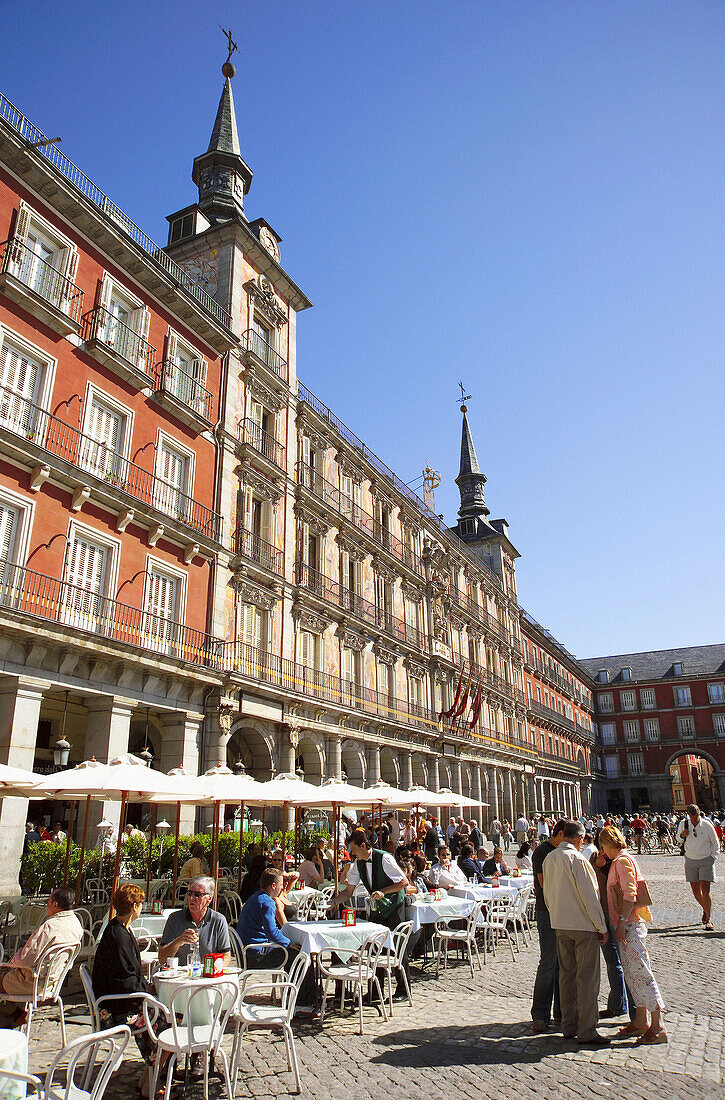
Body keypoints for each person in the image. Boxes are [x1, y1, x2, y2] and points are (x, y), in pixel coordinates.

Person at [598, 825, 666, 1044]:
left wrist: (622, 921)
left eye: (603, 847)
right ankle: (641, 1020)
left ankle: (658, 1026)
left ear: (609, 844)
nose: (602, 852)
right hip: (626, 925)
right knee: (632, 974)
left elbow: (630, 894)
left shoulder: (623, 861)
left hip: (630, 925)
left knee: (642, 973)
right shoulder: (620, 860)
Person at [542, 820, 608, 1045]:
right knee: (587, 979)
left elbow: (546, 892)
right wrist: (601, 926)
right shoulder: (578, 860)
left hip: (560, 924)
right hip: (583, 926)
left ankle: (568, 1025)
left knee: (567, 976)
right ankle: (587, 1029)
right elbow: (590, 896)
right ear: (580, 838)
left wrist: (555, 916)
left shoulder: (549, 858)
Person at [92, 884, 159, 1097]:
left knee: (159, 1010)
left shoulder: (120, 929)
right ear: (133, 906)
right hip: (115, 1008)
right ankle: (152, 1085)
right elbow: (124, 981)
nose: (142, 907)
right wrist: (148, 992)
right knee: (166, 1022)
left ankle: (147, 1079)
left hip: (116, 1000)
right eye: (140, 903)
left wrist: (148, 990)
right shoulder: (118, 936)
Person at [330, 829, 410, 999]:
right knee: (374, 948)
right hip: (376, 908)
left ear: (364, 846)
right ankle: (375, 992)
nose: (351, 853)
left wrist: (383, 891)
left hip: (394, 906)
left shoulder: (385, 858)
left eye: (354, 849)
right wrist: (333, 902)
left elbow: (403, 882)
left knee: (395, 948)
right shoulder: (357, 864)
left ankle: (403, 990)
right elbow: (349, 891)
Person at [0, 888, 83, 1026]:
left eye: (48, 902)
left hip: (34, 984)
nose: (46, 906)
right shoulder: (76, 925)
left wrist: (10, 962)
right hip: (54, 982)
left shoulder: (49, 927)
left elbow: (23, 960)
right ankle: (16, 1015)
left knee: (6, 974)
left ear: (55, 905)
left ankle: (12, 1017)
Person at [530, 819, 565, 1032]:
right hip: (547, 911)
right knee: (548, 962)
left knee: (563, 963)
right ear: (560, 834)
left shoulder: (559, 851)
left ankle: (561, 1013)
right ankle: (540, 1014)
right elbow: (544, 883)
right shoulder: (542, 851)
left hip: (563, 912)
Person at [158, 876, 231, 969]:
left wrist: (217, 967)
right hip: (180, 978)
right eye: (189, 893)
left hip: (208, 977)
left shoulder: (218, 920)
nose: (191, 898)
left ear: (209, 899)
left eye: (197, 894)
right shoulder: (175, 919)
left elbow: (226, 955)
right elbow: (162, 958)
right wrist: (178, 941)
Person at [237, 867, 295, 969]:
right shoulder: (268, 902)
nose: (282, 888)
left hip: (244, 953)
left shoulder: (255, 897)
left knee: (289, 949)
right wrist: (289, 943)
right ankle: (295, 984)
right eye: (281, 885)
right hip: (256, 956)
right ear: (273, 886)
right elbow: (271, 932)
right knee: (297, 954)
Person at [677, 803, 719, 930]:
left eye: (696, 817)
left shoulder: (706, 825)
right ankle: (705, 910)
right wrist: (682, 835)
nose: (695, 820)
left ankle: (709, 919)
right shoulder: (683, 824)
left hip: (706, 859)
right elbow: (678, 839)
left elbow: (715, 842)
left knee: (705, 890)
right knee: (696, 892)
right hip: (690, 859)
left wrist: (713, 857)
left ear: (699, 814)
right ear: (689, 816)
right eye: (692, 818)